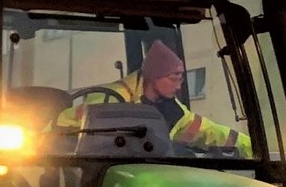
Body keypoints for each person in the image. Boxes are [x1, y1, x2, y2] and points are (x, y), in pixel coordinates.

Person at [58, 40, 251, 155]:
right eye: (174, 78)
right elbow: (60, 128)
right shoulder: (108, 101)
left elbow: (207, 132)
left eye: (181, 78)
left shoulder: (172, 110)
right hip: (96, 176)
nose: (179, 85)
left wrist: (248, 145)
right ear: (154, 76)